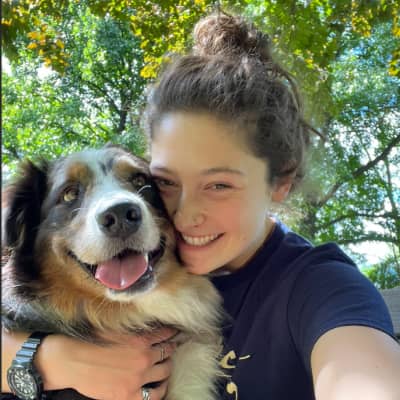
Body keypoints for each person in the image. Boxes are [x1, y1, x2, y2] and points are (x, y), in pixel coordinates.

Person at [2, 11, 400, 400]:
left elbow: (364, 377)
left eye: (219, 184)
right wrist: (48, 361)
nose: (185, 215)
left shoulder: (319, 287)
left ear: (280, 181)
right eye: (165, 182)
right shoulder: (147, 267)